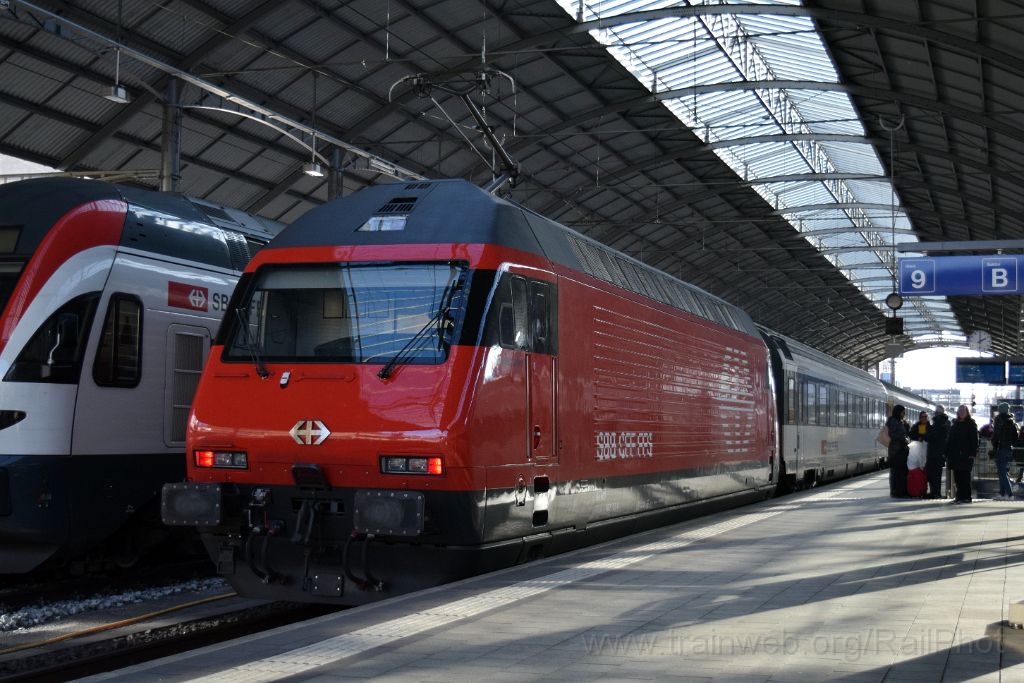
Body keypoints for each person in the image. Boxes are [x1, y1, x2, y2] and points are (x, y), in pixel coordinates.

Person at [946, 404, 979, 504]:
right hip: (955, 455)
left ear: (967, 412)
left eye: (963, 411)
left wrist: (973, 452)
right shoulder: (955, 424)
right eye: (960, 411)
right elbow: (950, 439)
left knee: (965, 476)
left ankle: (967, 497)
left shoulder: (971, 424)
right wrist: (947, 452)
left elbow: (974, 440)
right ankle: (959, 496)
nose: (961, 412)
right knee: (957, 477)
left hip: (966, 455)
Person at [991, 402, 1019, 500]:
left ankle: (1010, 494)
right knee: (1002, 471)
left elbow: (996, 435)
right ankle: (1002, 494)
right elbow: (1015, 437)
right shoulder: (1011, 420)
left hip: (1000, 448)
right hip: (1009, 449)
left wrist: (994, 446)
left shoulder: (999, 419)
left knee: (1002, 473)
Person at [926, 405, 950, 498]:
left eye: (935, 412)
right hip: (941, 452)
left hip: (935, 452)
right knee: (937, 474)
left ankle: (935, 493)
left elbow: (932, 436)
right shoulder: (946, 422)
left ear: (938, 413)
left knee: (933, 474)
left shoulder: (938, 422)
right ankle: (936, 492)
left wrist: (927, 433)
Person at [887, 404, 910, 498]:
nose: (904, 414)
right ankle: (895, 491)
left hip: (901, 450)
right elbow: (891, 434)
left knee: (902, 471)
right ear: (898, 412)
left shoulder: (900, 421)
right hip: (895, 451)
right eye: (903, 412)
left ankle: (901, 490)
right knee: (896, 472)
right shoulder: (893, 421)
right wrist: (902, 438)